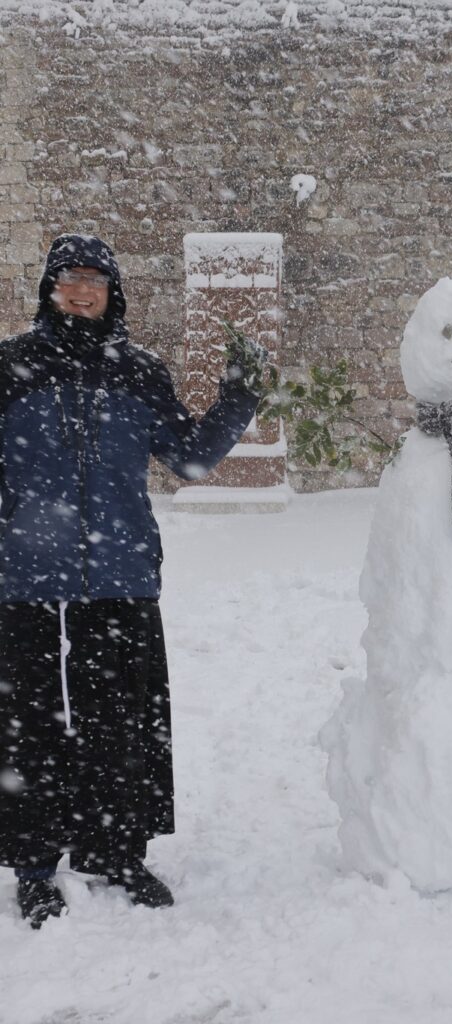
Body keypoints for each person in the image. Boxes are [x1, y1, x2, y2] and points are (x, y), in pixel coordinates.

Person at [0, 234, 266, 928]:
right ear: (50, 288)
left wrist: (237, 400)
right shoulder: (12, 365)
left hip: (120, 573)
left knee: (119, 719)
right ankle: (33, 867)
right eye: (69, 278)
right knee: (31, 725)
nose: (82, 289)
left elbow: (190, 458)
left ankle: (115, 851)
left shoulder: (141, 371)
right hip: (28, 577)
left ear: (113, 291)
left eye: (94, 278)